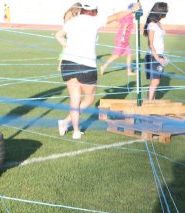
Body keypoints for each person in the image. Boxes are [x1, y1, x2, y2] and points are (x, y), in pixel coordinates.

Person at [55, 1, 141, 139]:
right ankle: (67, 123)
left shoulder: (72, 21)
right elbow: (115, 16)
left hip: (68, 63)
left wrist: (67, 47)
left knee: (75, 98)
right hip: (86, 65)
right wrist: (133, 10)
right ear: (94, 11)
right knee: (89, 99)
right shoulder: (94, 21)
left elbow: (58, 35)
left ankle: (73, 129)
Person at [100, 3, 136, 76]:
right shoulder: (129, 17)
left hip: (124, 38)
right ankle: (103, 66)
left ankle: (129, 71)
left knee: (129, 54)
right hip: (122, 39)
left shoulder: (125, 16)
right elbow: (125, 27)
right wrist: (122, 37)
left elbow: (118, 24)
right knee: (116, 55)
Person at [143, 2, 168, 101]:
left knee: (155, 81)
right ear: (159, 12)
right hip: (153, 56)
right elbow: (150, 43)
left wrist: (162, 56)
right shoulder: (152, 25)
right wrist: (157, 57)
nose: (166, 13)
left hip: (159, 55)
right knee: (155, 81)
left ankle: (151, 101)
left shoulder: (158, 23)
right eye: (165, 11)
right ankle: (149, 103)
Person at [57, 2, 82, 71]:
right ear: (76, 8)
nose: (79, 11)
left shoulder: (74, 14)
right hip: (67, 33)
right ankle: (60, 66)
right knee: (66, 49)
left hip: (71, 32)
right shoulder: (69, 13)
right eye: (79, 9)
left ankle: (62, 65)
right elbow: (66, 23)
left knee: (68, 49)